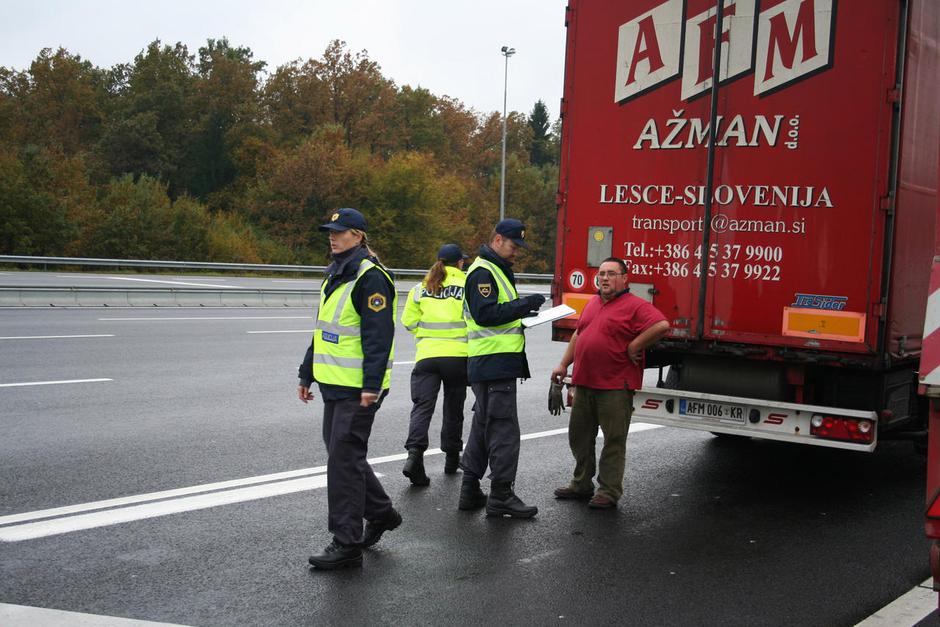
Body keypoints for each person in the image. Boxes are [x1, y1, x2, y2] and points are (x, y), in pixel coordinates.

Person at [298, 208, 402, 570]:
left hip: (359, 389)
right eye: (330, 231)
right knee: (344, 455)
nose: (332, 236)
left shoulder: (370, 278)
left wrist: (371, 385)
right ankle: (382, 513)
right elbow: (324, 330)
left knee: (342, 460)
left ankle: (347, 543)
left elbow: (379, 338)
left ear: (358, 236)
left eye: (340, 231)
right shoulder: (336, 274)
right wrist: (307, 373)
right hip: (335, 384)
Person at [550, 257, 669, 509]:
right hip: (584, 382)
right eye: (602, 273)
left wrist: (635, 345)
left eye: (611, 274)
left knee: (613, 440)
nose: (604, 278)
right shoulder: (593, 302)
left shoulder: (635, 305)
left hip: (615, 385)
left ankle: (608, 491)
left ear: (624, 278)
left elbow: (661, 325)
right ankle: (581, 483)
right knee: (579, 437)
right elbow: (579, 333)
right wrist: (563, 364)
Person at [460, 218, 545, 518]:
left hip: (490, 363)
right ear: (497, 240)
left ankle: (470, 489)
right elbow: (486, 314)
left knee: (484, 426)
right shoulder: (484, 271)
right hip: (493, 363)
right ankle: (501, 495)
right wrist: (525, 305)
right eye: (513, 245)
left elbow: (497, 314)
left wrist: (522, 314)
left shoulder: (494, 269)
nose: (516, 251)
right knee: (503, 430)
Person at [400, 244, 470, 486]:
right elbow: (474, 320)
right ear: (460, 263)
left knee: (422, 408)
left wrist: (428, 336)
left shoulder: (421, 287)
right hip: (458, 357)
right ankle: (452, 459)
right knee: (454, 408)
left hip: (427, 357)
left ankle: (414, 457)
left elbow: (408, 322)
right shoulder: (467, 285)